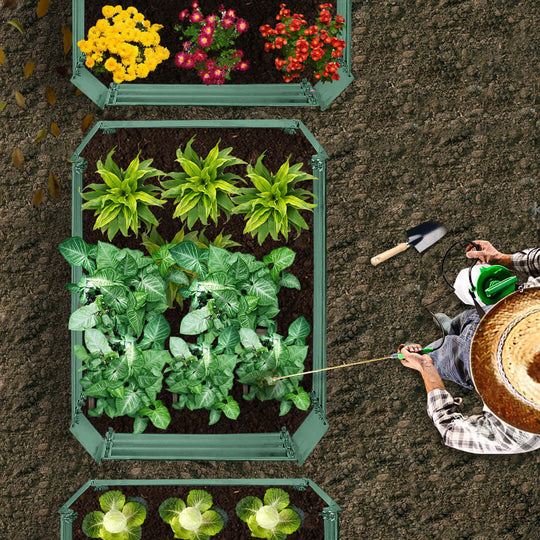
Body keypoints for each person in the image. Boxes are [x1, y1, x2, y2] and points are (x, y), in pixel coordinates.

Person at [398, 241, 540, 454]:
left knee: (440, 354)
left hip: (471, 364)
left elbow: (452, 431)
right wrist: (502, 259)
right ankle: (452, 328)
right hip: (511, 308)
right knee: (469, 318)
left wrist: (427, 369)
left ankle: (438, 346)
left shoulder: (525, 432)